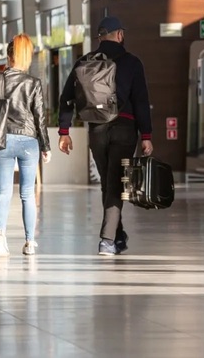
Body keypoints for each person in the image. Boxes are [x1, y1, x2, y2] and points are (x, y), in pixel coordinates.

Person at [57, 17, 153, 256]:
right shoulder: (132, 63)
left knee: (108, 183)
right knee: (115, 184)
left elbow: (66, 97)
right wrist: (147, 135)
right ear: (119, 34)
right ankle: (107, 240)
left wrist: (64, 131)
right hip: (124, 130)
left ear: (100, 37)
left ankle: (117, 236)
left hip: (96, 130)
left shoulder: (84, 61)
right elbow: (141, 101)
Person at [0, 34, 51, 256]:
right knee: (27, 193)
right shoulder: (34, 83)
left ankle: (1, 235)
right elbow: (40, 117)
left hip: (2, 140)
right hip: (28, 142)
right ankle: (29, 242)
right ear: (26, 56)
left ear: (9, 56)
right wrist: (46, 146)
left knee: (3, 192)